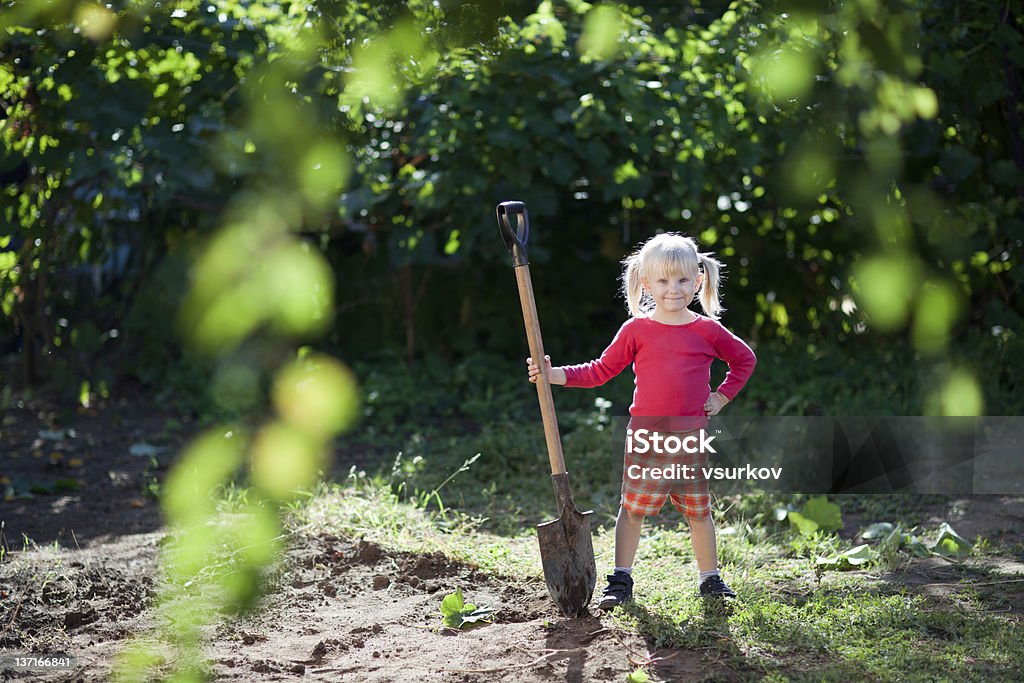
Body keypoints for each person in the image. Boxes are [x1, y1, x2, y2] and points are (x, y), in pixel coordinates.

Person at [526, 232, 756, 610]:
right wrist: (554, 375)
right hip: (647, 440)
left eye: (683, 280)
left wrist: (722, 396)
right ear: (646, 283)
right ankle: (621, 579)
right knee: (632, 510)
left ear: (698, 280)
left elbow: (744, 359)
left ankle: (710, 579)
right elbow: (601, 370)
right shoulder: (636, 330)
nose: (674, 289)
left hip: (688, 440)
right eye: (663, 281)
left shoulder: (707, 330)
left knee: (699, 512)